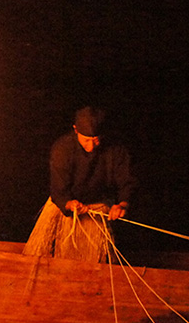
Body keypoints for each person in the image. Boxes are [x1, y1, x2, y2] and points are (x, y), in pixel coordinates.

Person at [23, 106, 138, 262]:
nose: (91, 147)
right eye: (86, 141)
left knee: (96, 262)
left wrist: (122, 204)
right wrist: (69, 203)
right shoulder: (62, 149)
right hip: (66, 208)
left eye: (96, 140)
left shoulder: (116, 150)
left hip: (97, 208)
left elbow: (126, 181)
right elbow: (58, 189)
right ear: (75, 130)